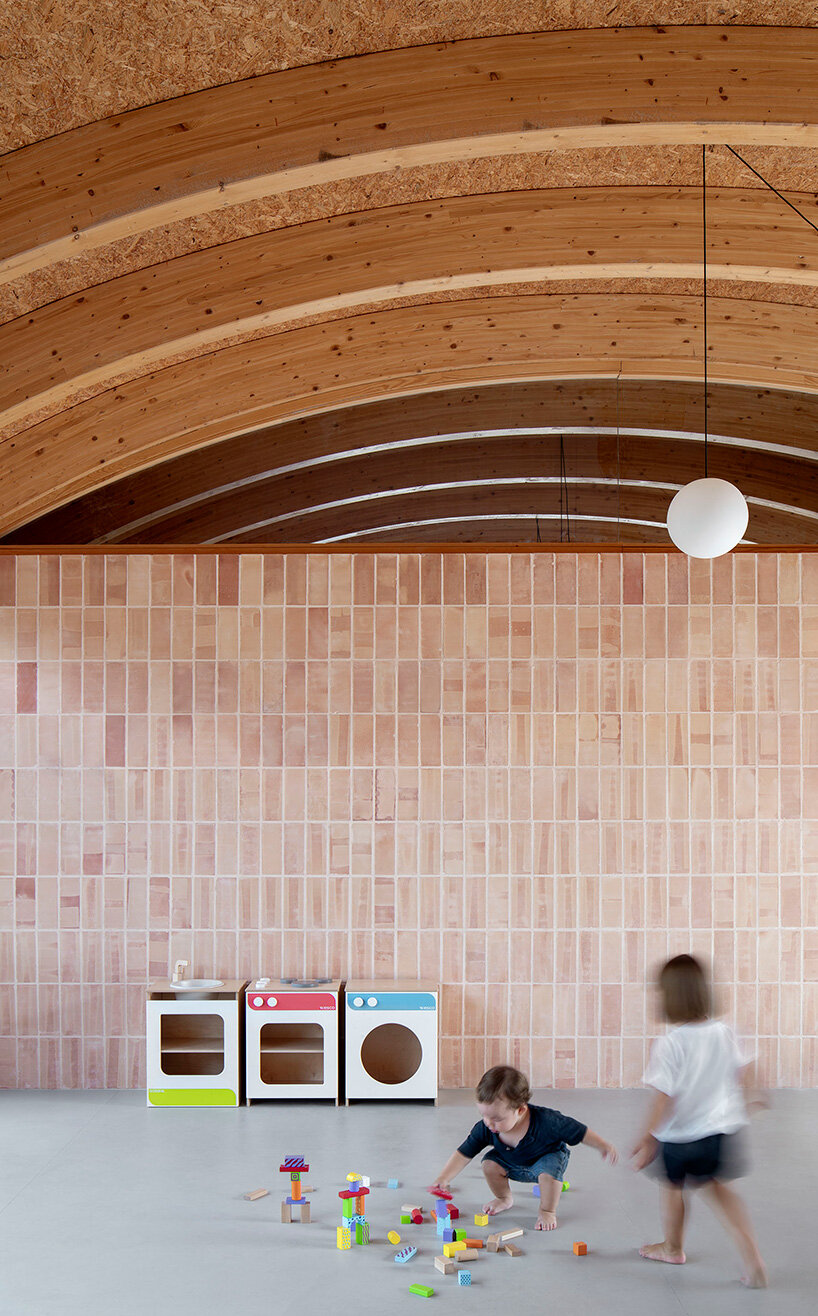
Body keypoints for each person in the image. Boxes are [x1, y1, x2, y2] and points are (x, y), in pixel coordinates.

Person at [631, 953, 767, 1288]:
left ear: (670, 997)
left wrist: (649, 1137)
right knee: (721, 1191)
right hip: (719, 1133)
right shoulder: (725, 1032)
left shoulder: (670, 1043)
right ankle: (753, 1260)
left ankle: (673, 1247)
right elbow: (745, 1070)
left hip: (679, 1138)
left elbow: (663, 1097)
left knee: (673, 1189)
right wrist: (754, 1097)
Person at [430, 1064, 618, 1231]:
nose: (489, 1123)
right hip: (512, 1163)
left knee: (548, 1174)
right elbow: (464, 1153)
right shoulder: (486, 1127)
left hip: (545, 1159)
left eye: (496, 1119)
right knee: (488, 1164)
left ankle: (547, 1210)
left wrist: (602, 1145)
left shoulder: (548, 1121)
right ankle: (504, 1198)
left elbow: (579, 1131)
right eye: (484, 1116)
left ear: (520, 1110)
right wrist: (444, 1178)